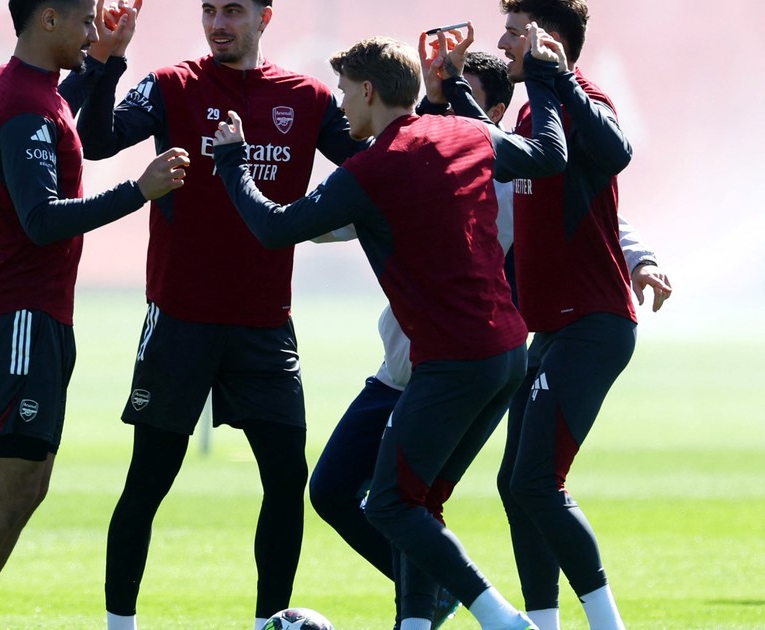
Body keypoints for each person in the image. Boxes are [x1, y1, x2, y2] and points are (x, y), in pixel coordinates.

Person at [211, 31, 569, 629]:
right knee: (417, 502)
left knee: (392, 504)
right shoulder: (469, 133)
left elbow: (274, 229)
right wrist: (548, 82)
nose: (341, 105)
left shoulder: (371, 170)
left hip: (452, 361)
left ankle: (503, 620)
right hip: (506, 354)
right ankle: (418, 622)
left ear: (370, 91)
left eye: (345, 92)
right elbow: (550, 156)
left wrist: (231, 162)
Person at [307, 49, 672, 629]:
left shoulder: (507, 175)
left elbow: (599, 216)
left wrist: (642, 260)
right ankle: (445, 598)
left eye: (462, 94)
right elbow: (333, 220)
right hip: (398, 369)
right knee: (333, 490)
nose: (446, 105)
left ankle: (439, 616)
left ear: (494, 111)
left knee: (413, 500)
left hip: (456, 369)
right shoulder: (412, 160)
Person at [68, 1, 367, 627]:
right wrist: (108, 60)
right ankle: (119, 624)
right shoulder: (171, 84)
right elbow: (94, 142)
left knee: (286, 479)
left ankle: (268, 623)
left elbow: (376, 161)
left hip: (265, 324)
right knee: (148, 480)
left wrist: (439, 108)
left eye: (233, 10)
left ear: (264, 17)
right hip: (181, 318)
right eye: (208, 10)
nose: (218, 24)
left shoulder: (308, 98)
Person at [0, 1, 188, 628]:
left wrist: (107, 61)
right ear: (47, 19)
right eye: (85, 21)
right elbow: (40, 219)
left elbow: (62, 115)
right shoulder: (23, 102)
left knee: (28, 485)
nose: (92, 31)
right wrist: (138, 191)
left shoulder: (29, 90)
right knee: (11, 484)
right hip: (16, 315)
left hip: (35, 313)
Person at [460, 2, 671, 628]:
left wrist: (562, 78)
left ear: (547, 39)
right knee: (515, 485)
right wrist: (450, 90)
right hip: (552, 330)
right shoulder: (532, 111)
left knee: (536, 482)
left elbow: (616, 151)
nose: (502, 43)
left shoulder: (583, 97)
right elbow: (493, 151)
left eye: (513, 32)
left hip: (594, 323)